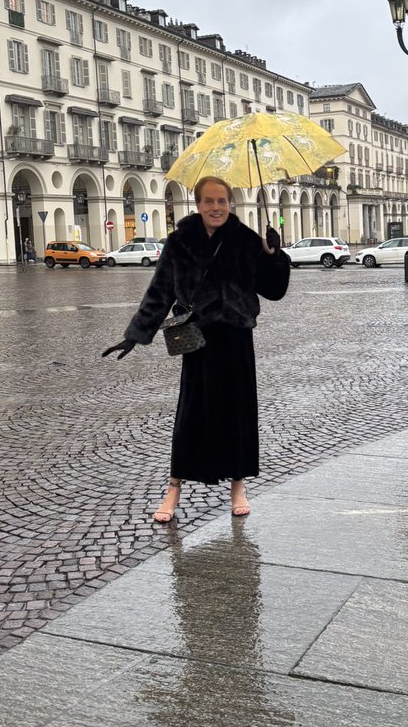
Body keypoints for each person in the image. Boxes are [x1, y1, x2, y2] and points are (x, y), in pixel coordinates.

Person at [102, 176, 290, 522]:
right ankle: (173, 489)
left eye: (222, 201)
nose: (216, 207)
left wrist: (275, 256)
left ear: (230, 203)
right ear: (198, 204)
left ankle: (238, 486)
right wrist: (136, 333)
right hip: (198, 339)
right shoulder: (180, 241)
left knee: (237, 414)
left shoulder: (246, 239)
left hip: (235, 337)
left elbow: (273, 291)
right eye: (209, 201)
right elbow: (160, 291)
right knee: (191, 415)